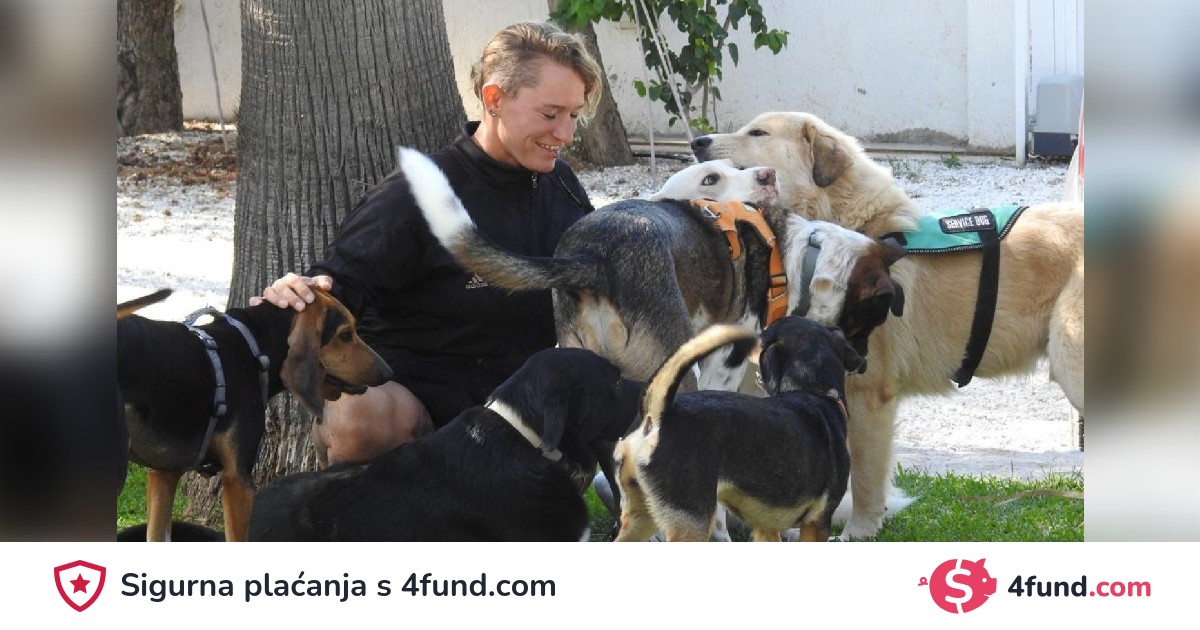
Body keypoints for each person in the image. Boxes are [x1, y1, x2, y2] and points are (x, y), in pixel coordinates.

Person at [252, 22, 602, 465]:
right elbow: (337, 287)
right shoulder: (418, 192)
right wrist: (293, 296)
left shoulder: (562, 186)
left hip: (521, 414)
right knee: (362, 417)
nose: (566, 134)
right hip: (417, 419)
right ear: (494, 99)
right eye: (550, 115)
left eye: (574, 116)